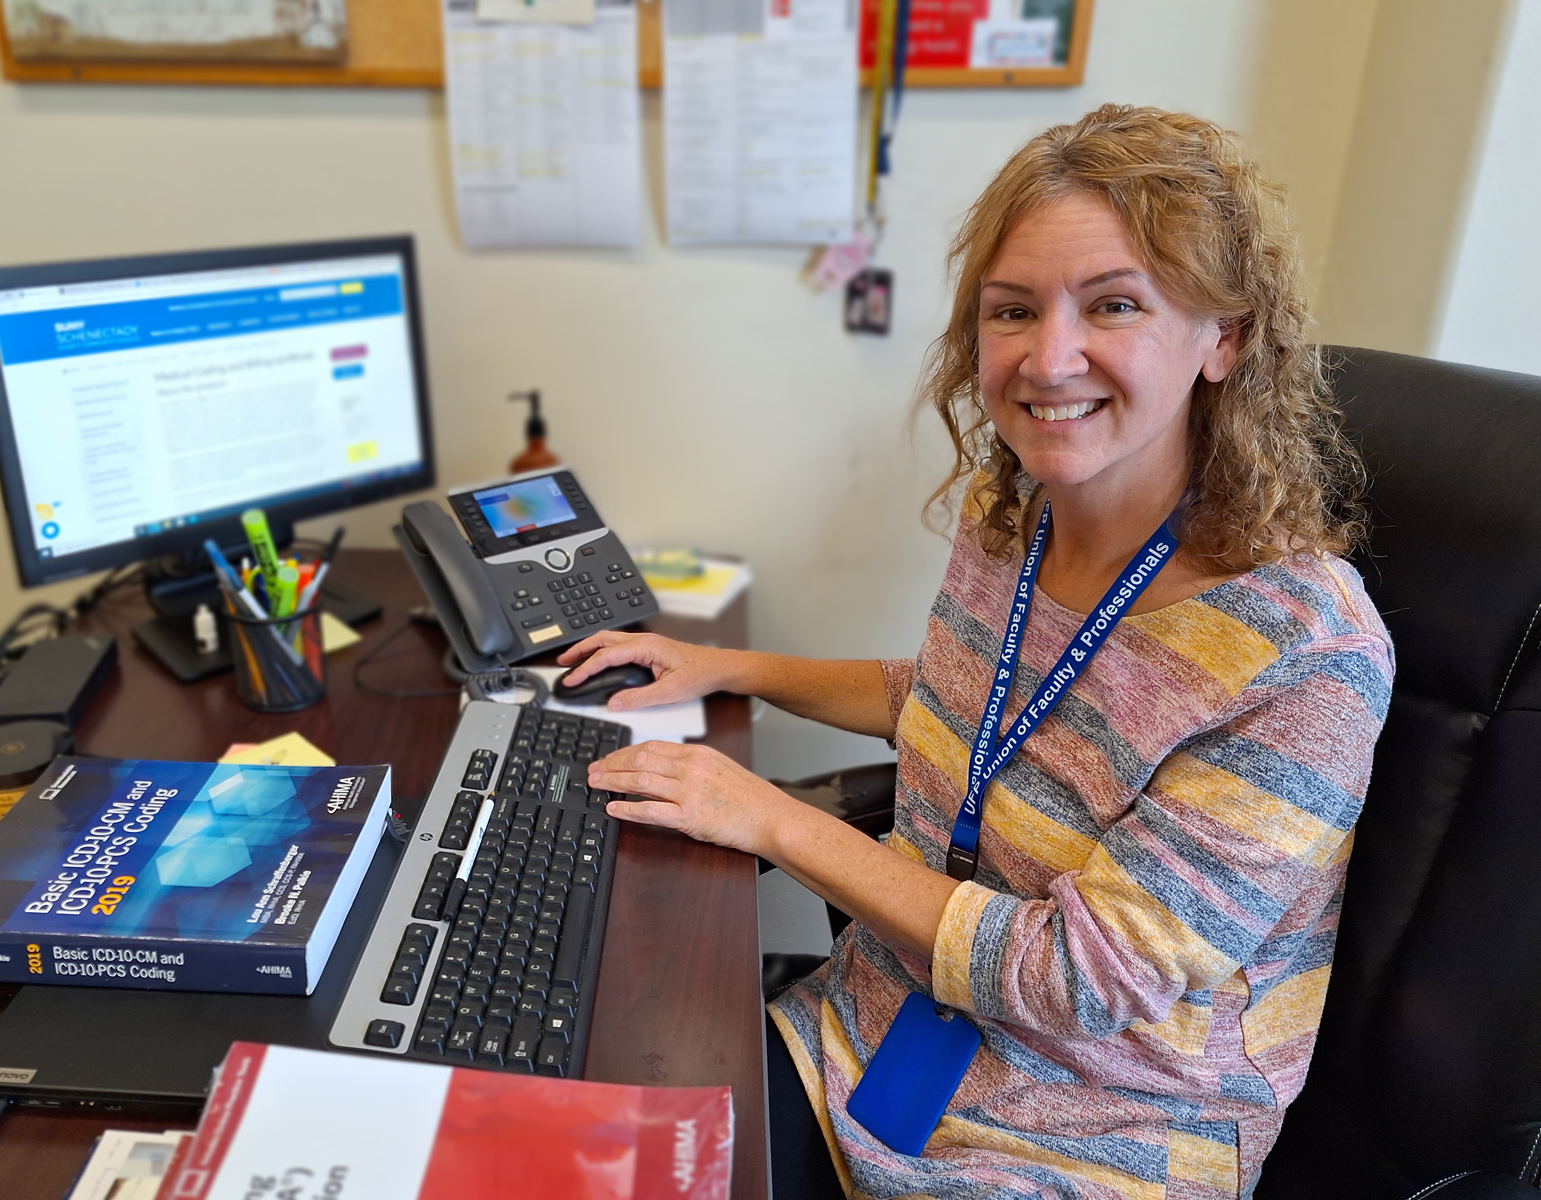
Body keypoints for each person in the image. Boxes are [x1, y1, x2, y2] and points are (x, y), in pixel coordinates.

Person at [560, 104, 1393, 1199]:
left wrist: (765, 813)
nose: (1050, 358)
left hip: (1094, 1133)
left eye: (1114, 305)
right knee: (572, 1120)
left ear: (1222, 339)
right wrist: (731, 669)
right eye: (1013, 310)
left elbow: (1078, 978)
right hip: (873, 1037)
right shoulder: (1021, 519)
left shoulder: (1308, 654)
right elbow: (965, 710)